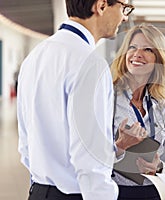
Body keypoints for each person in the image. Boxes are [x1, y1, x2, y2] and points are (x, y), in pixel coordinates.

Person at [17, 0, 135, 199]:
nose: (125, 17)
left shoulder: (35, 56)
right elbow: (90, 161)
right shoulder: (91, 63)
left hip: (38, 191)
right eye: (124, 8)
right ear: (102, 5)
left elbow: (26, 145)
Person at [111, 23, 165, 200]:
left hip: (154, 194)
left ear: (158, 59)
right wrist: (120, 146)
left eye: (147, 49)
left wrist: (159, 167)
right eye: (132, 47)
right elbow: (88, 159)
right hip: (115, 193)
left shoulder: (162, 107)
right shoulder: (107, 98)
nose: (137, 54)